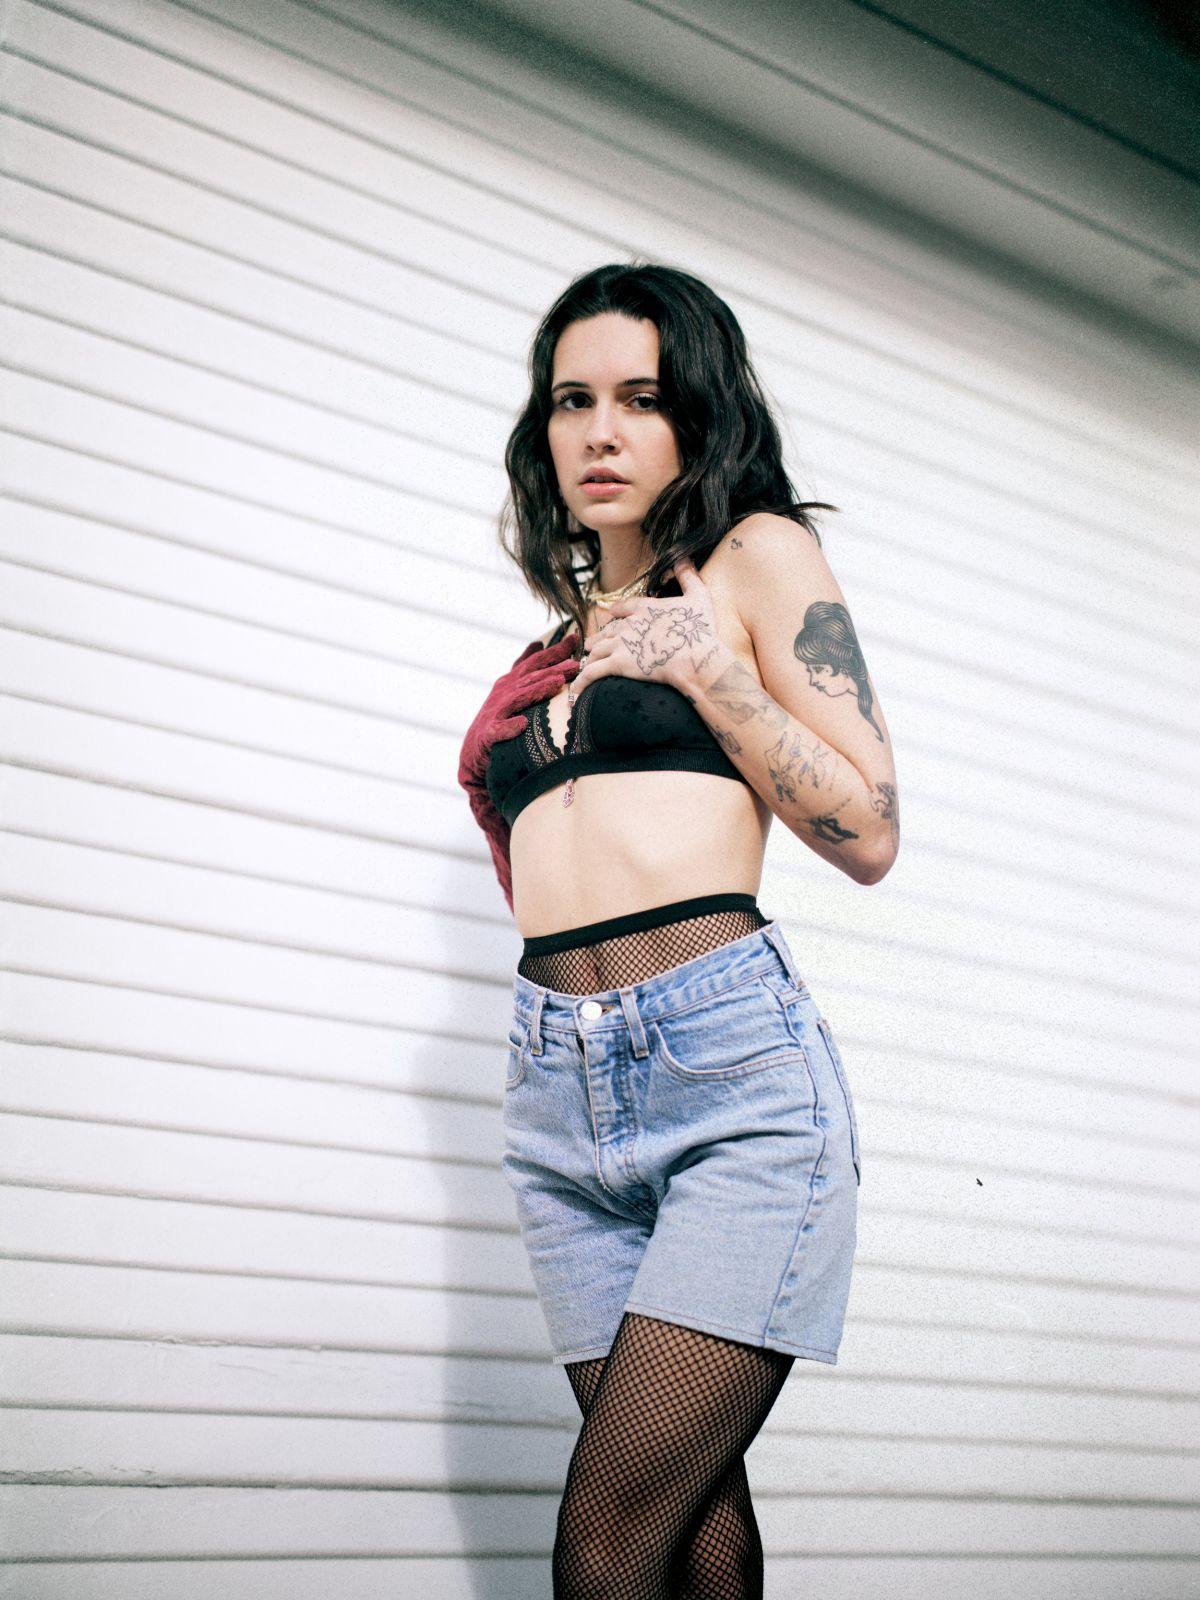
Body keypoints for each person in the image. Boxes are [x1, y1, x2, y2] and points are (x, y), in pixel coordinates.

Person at [458, 262, 899, 1599]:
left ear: (697, 415)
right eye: (572, 400)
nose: (601, 432)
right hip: (557, 1090)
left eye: (642, 399)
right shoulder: (557, 644)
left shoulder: (755, 559)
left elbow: (870, 829)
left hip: (725, 1071)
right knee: (691, 1524)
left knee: (605, 1545)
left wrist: (716, 677)